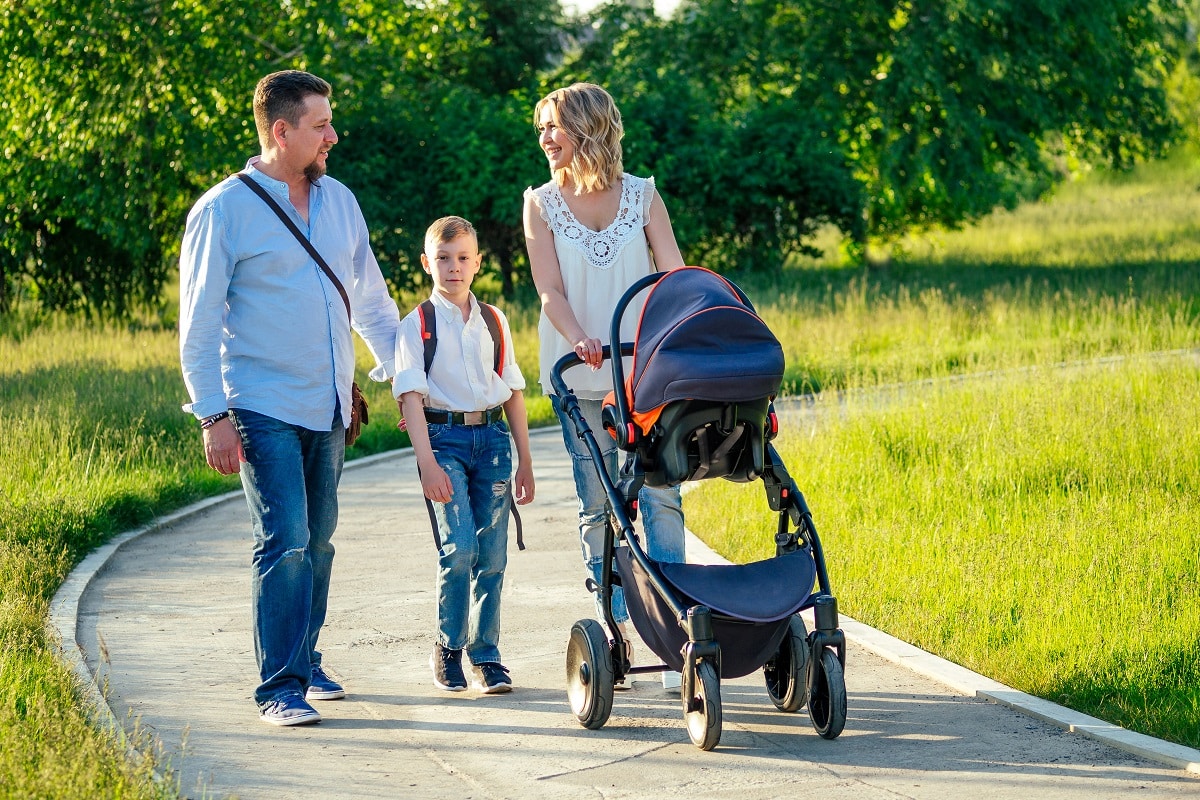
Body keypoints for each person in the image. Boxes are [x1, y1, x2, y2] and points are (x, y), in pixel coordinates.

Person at [179, 70, 401, 726]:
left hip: (328, 401)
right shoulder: (224, 210)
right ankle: (280, 687)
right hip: (257, 402)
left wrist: (405, 375)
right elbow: (197, 321)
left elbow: (371, 301)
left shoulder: (341, 203)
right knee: (287, 538)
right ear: (281, 131)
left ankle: (304, 655)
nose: (333, 135)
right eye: (319, 125)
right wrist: (212, 413)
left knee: (320, 540)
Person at [521, 82, 685, 690]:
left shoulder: (642, 196)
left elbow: (672, 271)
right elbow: (549, 291)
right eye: (540, 130)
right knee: (599, 502)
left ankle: (673, 630)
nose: (544, 140)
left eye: (552, 128)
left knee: (661, 494)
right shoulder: (540, 203)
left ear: (586, 128)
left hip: (643, 375)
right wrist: (581, 336)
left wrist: (682, 328)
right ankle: (612, 620)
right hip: (578, 370)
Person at [393, 216, 535, 694]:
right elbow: (411, 397)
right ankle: (449, 648)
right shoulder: (416, 326)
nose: (453, 267)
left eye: (462, 258)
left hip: (492, 442)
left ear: (477, 262)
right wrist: (427, 464)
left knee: (493, 554)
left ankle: (486, 655)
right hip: (443, 443)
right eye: (442, 258)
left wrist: (527, 461)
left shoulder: (494, 320)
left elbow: (512, 391)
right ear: (427, 263)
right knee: (460, 548)